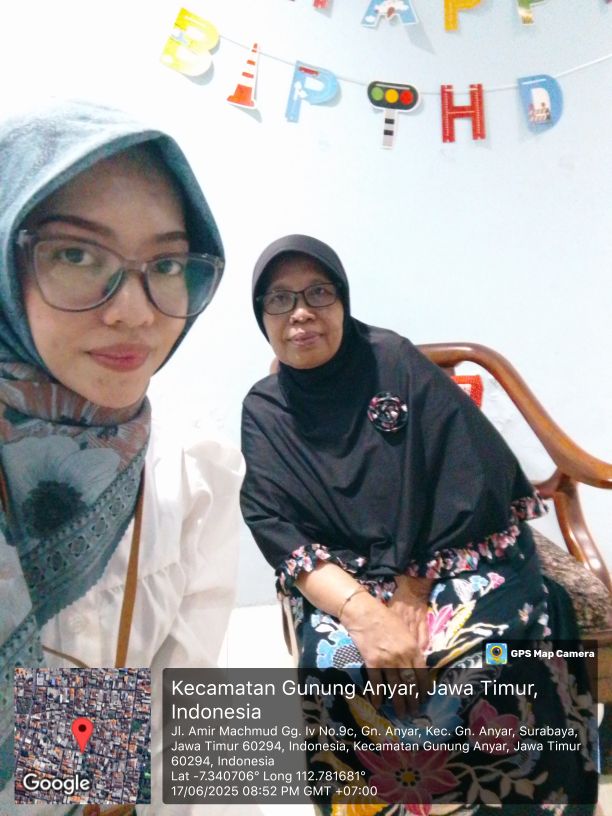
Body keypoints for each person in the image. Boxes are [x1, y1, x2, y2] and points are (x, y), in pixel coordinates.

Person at [240, 234, 598, 814]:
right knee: (339, 667)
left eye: (318, 293)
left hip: (450, 551)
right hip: (345, 575)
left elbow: (465, 471)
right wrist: (364, 612)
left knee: (489, 657)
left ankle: (519, 799)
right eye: (279, 299)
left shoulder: (393, 363)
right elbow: (275, 523)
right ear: (262, 316)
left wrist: (412, 586)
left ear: (343, 300)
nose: (300, 312)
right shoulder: (265, 410)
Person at [0, 100, 245, 815]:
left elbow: (182, 726)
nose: (135, 312)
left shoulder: (195, 473)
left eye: (165, 265)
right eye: (77, 254)